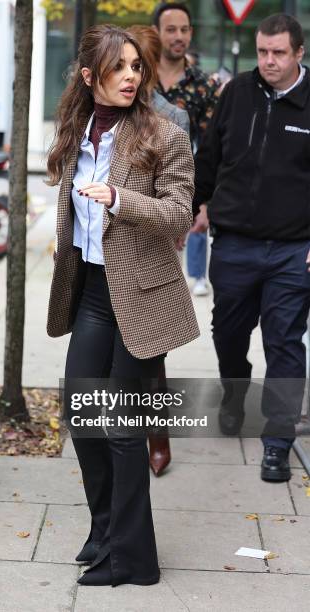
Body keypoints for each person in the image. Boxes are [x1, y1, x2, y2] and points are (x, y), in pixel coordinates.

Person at [46, 24, 198, 586]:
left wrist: (120, 198)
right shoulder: (75, 129)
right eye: (120, 67)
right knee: (82, 415)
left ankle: (134, 559)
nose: (133, 75)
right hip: (90, 291)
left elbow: (181, 213)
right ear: (91, 77)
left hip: (142, 297)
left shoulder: (163, 133)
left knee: (124, 428)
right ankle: (105, 528)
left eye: (137, 66)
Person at [193, 13, 310, 483]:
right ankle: (234, 389)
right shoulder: (237, 92)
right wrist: (198, 204)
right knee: (228, 334)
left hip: (292, 250)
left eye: (279, 52)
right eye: (263, 51)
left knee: (284, 343)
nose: (269, 61)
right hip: (235, 242)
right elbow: (210, 154)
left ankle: (277, 443)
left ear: (299, 53)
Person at [127, 24, 189, 477]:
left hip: (154, 249)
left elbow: (179, 197)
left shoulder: (171, 120)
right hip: (109, 255)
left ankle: (158, 437)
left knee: (152, 353)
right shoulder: (101, 116)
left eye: (137, 67)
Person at [153, 2, 221, 297]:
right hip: (129, 194)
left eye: (184, 30)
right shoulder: (135, 78)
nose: (178, 36)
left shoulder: (204, 87)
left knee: (163, 295)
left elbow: (212, 149)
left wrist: (204, 205)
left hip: (178, 197)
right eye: (171, 30)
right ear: (156, 33)